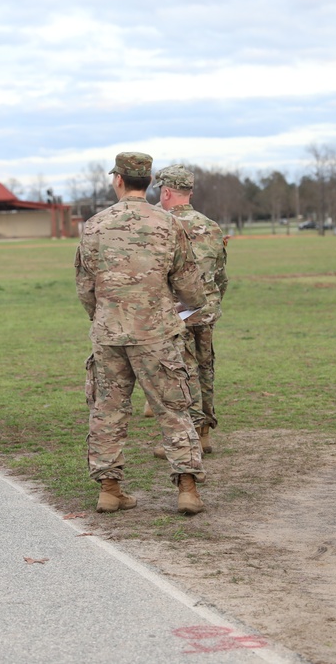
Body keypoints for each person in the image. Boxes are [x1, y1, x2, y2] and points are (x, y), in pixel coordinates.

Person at [75, 152, 208, 515]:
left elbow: (85, 287)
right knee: (174, 409)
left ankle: (110, 488)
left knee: (107, 411)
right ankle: (187, 488)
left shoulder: (94, 226)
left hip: (108, 334)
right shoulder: (168, 224)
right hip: (157, 334)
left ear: (118, 180)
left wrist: (103, 314)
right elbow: (191, 288)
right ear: (149, 182)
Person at [151, 164, 228, 456]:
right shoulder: (211, 225)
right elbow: (221, 275)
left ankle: (187, 437)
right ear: (190, 192)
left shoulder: (162, 224)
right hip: (206, 311)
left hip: (175, 312)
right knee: (205, 368)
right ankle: (205, 431)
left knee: (181, 373)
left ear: (167, 191)